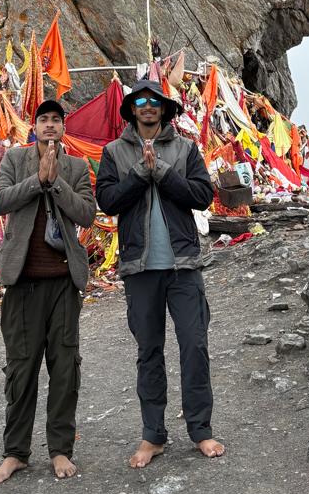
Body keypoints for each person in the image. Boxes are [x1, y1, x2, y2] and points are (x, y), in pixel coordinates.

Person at [95, 78, 225, 466]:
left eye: (154, 101)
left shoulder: (185, 148)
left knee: (194, 346)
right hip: (140, 268)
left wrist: (164, 173)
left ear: (164, 108)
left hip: (183, 265)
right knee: (148, 352)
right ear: (132, 109)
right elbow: (108, 200)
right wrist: (140, 173)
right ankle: (153, 436)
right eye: (140, 101)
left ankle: (200, 430)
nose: (148, 106)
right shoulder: (114, 152)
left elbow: (203, 195)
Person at [0, 99, 97, 483]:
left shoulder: (77, 167)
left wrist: (56, 182)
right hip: (23, 284)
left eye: (56, 120)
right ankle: (15, 452)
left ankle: (60, 449)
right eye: (43, 119)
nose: (50, 125)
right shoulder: (14, 159)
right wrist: (37, 180)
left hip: (63, 283)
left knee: (65, 368)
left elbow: (87, 213)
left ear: (63, 128)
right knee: (21, 369)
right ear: (34, 127)